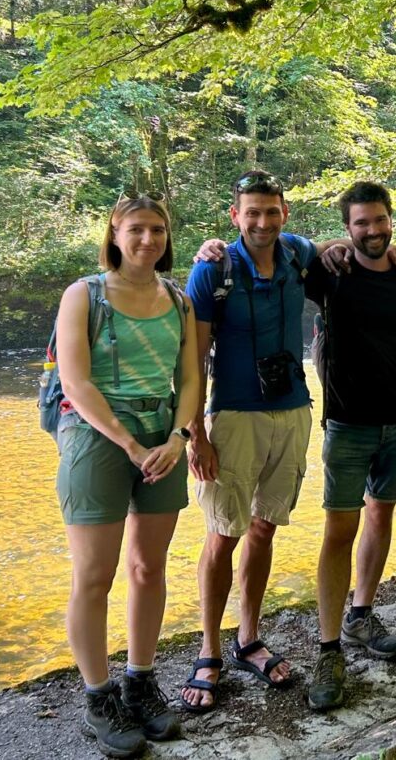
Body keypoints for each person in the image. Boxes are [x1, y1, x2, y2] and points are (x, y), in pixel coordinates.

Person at [53, 194, 199, 759]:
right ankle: (99, 696)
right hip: (98, 438)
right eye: (136, 229)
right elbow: (76, 382)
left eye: (157, 229)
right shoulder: (84, 295)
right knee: (95, 575)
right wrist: (132, 445)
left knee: (148, 567)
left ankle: (140, 681)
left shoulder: (178, 300)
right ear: (114, 233)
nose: (147, 239)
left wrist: (179, 437)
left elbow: (190, 379)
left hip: (162, 437)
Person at [179, 172, 318, 712]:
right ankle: (208, 649)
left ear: (285, 212)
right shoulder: (212, 269)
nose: (262, 222)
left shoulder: (297, 254)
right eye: (251, 212)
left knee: (265, 527)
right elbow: (193, 359)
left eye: (271, 211)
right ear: (234, 215)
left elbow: (341, 247)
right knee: (223, 533)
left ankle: (248, 638)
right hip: (234, 415)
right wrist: (196, 433)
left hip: (293, 410)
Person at [302, 182, 396, 710]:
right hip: (348, 424)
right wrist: (327, 247)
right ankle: (328, 648)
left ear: (390, 220)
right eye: (361, 223)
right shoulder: (331, 274)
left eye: (380, 220)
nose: (373, 231)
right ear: (348, 227)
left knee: (382, 516)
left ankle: (360, 615)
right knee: (339, 531)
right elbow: (282, 249)